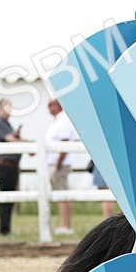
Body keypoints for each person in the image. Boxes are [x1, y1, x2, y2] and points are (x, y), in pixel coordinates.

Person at [0, 99, 23, 236]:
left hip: (10, 166)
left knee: (9, 198)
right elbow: (11, 139)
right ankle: (4, 230)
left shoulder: (6, 124)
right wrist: (25, 142)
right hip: (5, 166)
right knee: (6, 198)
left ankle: (6, 229)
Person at [46, 98, 77, 235]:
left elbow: (64, 144)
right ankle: (63, 224)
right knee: (60, 195)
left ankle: (66, 225)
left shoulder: (63, 121)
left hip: (60, 165)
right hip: (56, 163)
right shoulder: (58, 121)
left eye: (50, 105)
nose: (48, 108)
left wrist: (58, 164)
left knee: (63, 195)